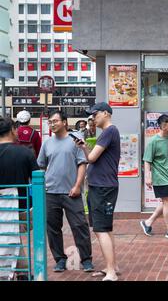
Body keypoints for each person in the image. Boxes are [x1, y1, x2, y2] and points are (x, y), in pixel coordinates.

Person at [37, 110, 94, 273]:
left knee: (80, 225)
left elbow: (82, 164)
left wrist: (77, 186)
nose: (52, 124)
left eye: (55, 121)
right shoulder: (47, 143)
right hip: (51, 192)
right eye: (50, 122)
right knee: (53, 228)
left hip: (71, 192)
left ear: (64, 122)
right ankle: (60, 260)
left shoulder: (74, 140)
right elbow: (41, 165)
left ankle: (86, 259)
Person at [74, 102, 121, 281]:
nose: (93, 118)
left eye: (95, 114)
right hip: (100, 186)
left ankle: (111, 272)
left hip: (103, 188)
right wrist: (84, 147)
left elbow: (92, 158)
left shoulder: (109, 131)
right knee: (104, 228)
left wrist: (84, 148)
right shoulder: (107, 132)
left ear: (105, 113)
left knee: (101, 229)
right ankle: (112, 266)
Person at [0, 117, 40, 280]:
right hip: (20, 208)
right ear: (12, 130)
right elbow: (37, 179)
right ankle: (22, 274)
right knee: (12, 236)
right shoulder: (25, 152)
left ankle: (22, 272)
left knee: (10, 238)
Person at [139, 114, 168, 240]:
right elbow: (147, 160)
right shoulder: (153, 141)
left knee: (165, 202)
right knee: (167, 202)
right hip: (160, 177)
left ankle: (147, 223)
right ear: (163, 126)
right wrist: (148, 177)